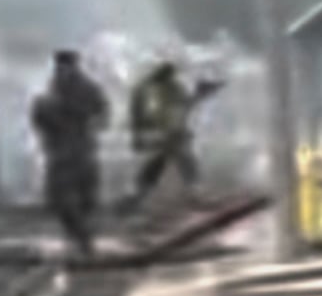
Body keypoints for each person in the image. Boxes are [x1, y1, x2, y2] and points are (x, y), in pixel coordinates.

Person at [31, 49, 109, 257]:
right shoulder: (56, 91)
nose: (63, 71)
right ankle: (81, 237)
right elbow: (40, 118)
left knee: (77, 199)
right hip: (67, 152)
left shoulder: (82, 89)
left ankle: (82, 237)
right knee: (65, 200)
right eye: (61, 67)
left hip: (74, 151)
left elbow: (102, 116)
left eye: (66, 67)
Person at [127, 53, 210, 209]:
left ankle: (139, 195)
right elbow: (180, 107)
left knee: (163, 164)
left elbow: (182, 106)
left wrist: (198, 96)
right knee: (181, 163)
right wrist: (198, 95)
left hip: (166, 133)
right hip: (169, 133)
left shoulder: (155, 87)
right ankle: (194, 193)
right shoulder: (162, 88)